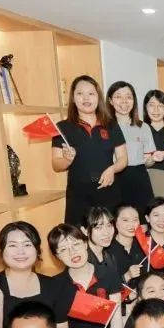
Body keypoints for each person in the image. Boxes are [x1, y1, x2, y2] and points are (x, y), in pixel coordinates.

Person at [52, 75, 128, 224]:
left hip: (108, 191)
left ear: (98, 97)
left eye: (91, 93)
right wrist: (67, 160)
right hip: (79, 195)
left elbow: (123, 159)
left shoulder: (111, 124)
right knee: (77, 235)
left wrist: (112, 169)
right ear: (73, 98)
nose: (86, 98)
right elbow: (56, 164)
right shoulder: (62, 128)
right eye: (80, 93)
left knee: (110, 232)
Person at [48, 224, 122, 328]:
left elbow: (116, 315)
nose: (72, 252)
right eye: (63, 249)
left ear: (86, 243)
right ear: (57, 256)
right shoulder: (56, 285)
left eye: (76, 244)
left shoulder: (108, 273)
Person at [108, 81, 159, 215]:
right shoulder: (104, 127)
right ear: (110, 101)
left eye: (129, 97)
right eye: (118, 96)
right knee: (116, 219)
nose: (124, 101)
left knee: (143, 219)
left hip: (139, 178)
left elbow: (147, 162)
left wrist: (153, 158)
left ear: (134, 101)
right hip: (114, 178)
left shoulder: (143, 127)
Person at [109, 203, 147, 287]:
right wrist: (126, 276)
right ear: (115, 222)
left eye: (135, 220)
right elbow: (104, 287)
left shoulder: (144, 245)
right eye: (125, 220)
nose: (131, 225)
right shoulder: (107, 250)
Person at [143, 89, 164, 181]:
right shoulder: (139, 132)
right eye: (151, 105)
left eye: (160, 105)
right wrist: (152, 159)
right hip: (144, 181)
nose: (156, 110)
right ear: (146, 108)